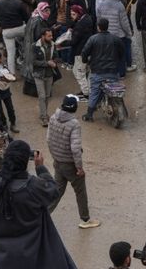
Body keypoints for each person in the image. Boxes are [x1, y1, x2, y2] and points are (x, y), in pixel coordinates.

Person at [0, 140, 77, 269]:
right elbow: (53, 191)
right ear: (25, 162)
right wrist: (41, 168)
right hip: (32, 254)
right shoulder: (33, 186)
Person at [46, 95, 101, 229]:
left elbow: (48, 140)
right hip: (70, 164)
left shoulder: (53, 118)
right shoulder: (74, 124)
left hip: (58, 162)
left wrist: (55, 156)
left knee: (57, 191)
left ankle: (43, 215)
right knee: (80, 191)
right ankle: (85, 220)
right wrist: (79, 168)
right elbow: (75, 149)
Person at [81, 18, 123, 122]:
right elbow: (122, 53)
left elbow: (84, 53)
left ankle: (89, 114)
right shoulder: (116, 39)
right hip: (113, 71)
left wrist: (85, 60)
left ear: (98, 27)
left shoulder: (93, 39)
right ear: (107, 26)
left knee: (94, 91)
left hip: (97, 71)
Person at [0, 0, 30, 75]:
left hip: (6, 31)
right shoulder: (19, 3)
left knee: (10, 53)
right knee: (28, 47)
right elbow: (27, 18)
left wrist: (1, 25)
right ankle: (27, 66)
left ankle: (12, 73)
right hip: (20, 29)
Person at [96, 0, 134, 75]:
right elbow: (124, 22)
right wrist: (128, 33)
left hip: (105, 34)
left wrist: (100, 31)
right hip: (119, 35)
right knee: (120, 55)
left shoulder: (101, 4)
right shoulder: (119, 5)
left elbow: (98, 20)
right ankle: (121, 73)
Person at [32, 28, 59, 126]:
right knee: (42, 96)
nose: (51, 37)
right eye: (49, 36)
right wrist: (47, 63)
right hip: (39, 75)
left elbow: (56, 57)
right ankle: (44, 117)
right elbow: (33, 62)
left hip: (50, 74)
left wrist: (55, 62)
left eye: (51, 36)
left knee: (47, 96)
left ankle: (44, 113)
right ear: (43, 36)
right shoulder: (35, 46)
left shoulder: (53, 45)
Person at [69, 5, 94, 99]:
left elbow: (73, 41)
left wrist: (61, 44)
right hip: (88, 51)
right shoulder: (88, 19)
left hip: (80, 53)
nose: (72, 16)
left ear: (79, 14)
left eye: (74, 14)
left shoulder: (80, 25)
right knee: (86, 72)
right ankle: (87, 90)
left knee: (78, 72)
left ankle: (86, 93)